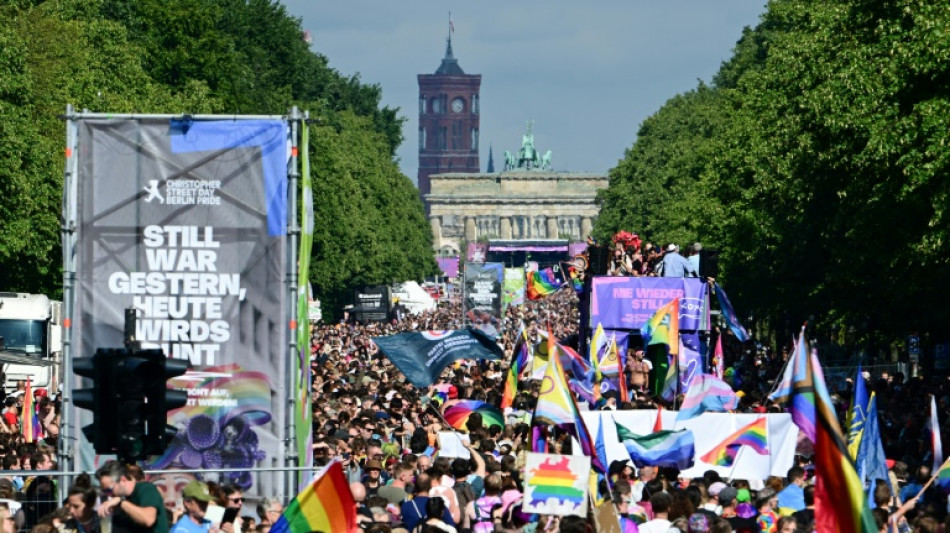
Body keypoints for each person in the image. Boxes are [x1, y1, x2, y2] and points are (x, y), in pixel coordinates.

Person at [98, 463, 168, 533]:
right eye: (104, 491)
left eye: (109, 490)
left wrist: (121, 502)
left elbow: (148, 520)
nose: (108, 495)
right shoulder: (122, 499)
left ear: (123, 480)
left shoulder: (146, 489)